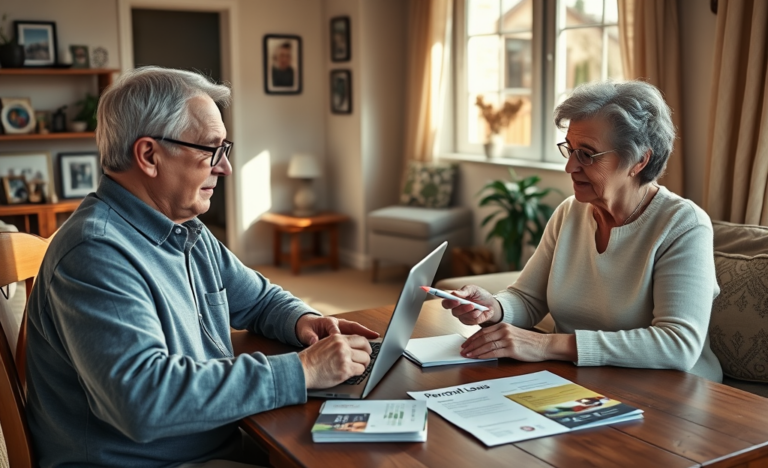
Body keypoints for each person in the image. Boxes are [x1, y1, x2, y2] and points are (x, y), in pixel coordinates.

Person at [25, 66, 378, 468]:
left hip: (212, 443)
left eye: (225, 149)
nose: (224, 167)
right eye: (211, 149)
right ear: (149, 155)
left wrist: (304, 320)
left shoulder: (184, 228)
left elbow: (259, 299)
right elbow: (144, 402)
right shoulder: (96, 252)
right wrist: (301, 371)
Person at [443, 80, 723, 383]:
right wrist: (492, 308)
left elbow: (677, 345)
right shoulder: (570, 212)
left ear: (639, 160)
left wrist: (545, 344)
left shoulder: (683, 225)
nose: (570, 167)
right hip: (582, 379)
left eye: (587, 155)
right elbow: (527, 298)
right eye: (570, 150)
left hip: (672, 394)